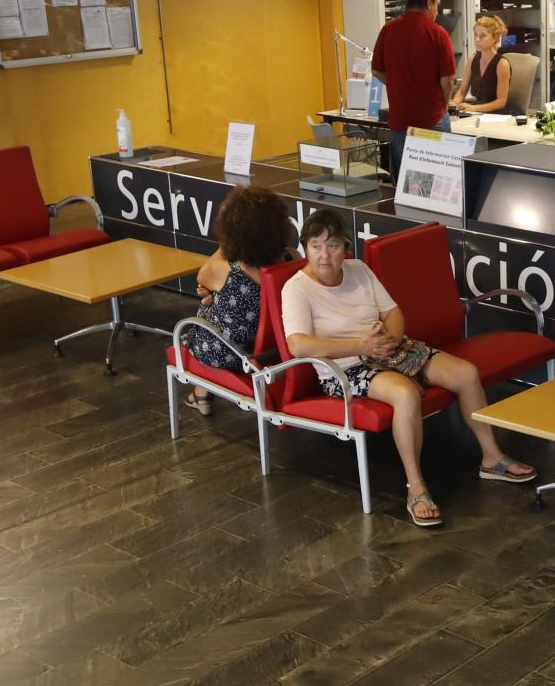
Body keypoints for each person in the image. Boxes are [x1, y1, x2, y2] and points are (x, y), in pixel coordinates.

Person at [280, 209, 534, 527]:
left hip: (388, 350)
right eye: (315, 246)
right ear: (305, 247)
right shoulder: (296, 288)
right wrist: (361, 346)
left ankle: (492, 457)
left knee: (466, 373)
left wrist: (392, 338)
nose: (324, 255)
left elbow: (392, 312)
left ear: (345, 247)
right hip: (345, 368)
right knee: (405, 394)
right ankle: (416, 486)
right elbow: (298, 345)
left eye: (332, 245)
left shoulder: (358, 269)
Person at [179, 186, 296, 414]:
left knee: (205, 312)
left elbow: (203, 275)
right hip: (275, 349)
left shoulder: (227, 271)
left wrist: (231, 239)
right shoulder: (293, 258)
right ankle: (201, 392)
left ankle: (201, 391)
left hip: (233, 354)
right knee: (214, 302)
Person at [372, 0, 458, 178]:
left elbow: (376, 70)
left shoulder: (388, 30)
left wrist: (397, 83)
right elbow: (447, 81)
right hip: (432, 119)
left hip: (401, 120)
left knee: (409, 183)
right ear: (429, 3)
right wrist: (444, 107)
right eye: (437, 5)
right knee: (439, 182)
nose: (437, 11)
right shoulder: (438, 33)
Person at [452, 14, 513, 116]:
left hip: (495, 115)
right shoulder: (472, 60)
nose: (477, 39)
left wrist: (473, 108)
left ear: (495, 38)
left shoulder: (502, 64)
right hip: (476, 112)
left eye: (482, 36)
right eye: (475, 35)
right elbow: (462, 92)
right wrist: (453, 106)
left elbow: (501, 102)